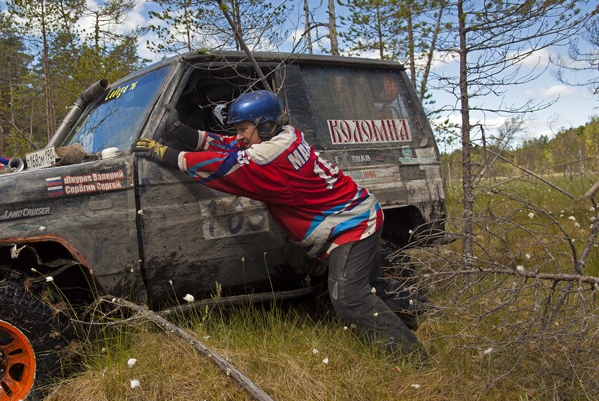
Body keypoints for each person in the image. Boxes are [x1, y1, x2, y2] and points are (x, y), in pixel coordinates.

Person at [133, 90, 429, 361]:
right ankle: (421, 310)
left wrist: (169, 155)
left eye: (243, 129)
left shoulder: (269, 156)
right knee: (371, 285)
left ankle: (413, 359)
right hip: (359, 213)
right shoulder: (284, 136)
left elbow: (224, 164)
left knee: (350, 298)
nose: (238, 136)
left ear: (264, 127)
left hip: (352, 227)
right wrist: (182, 132)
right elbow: (230, 146)